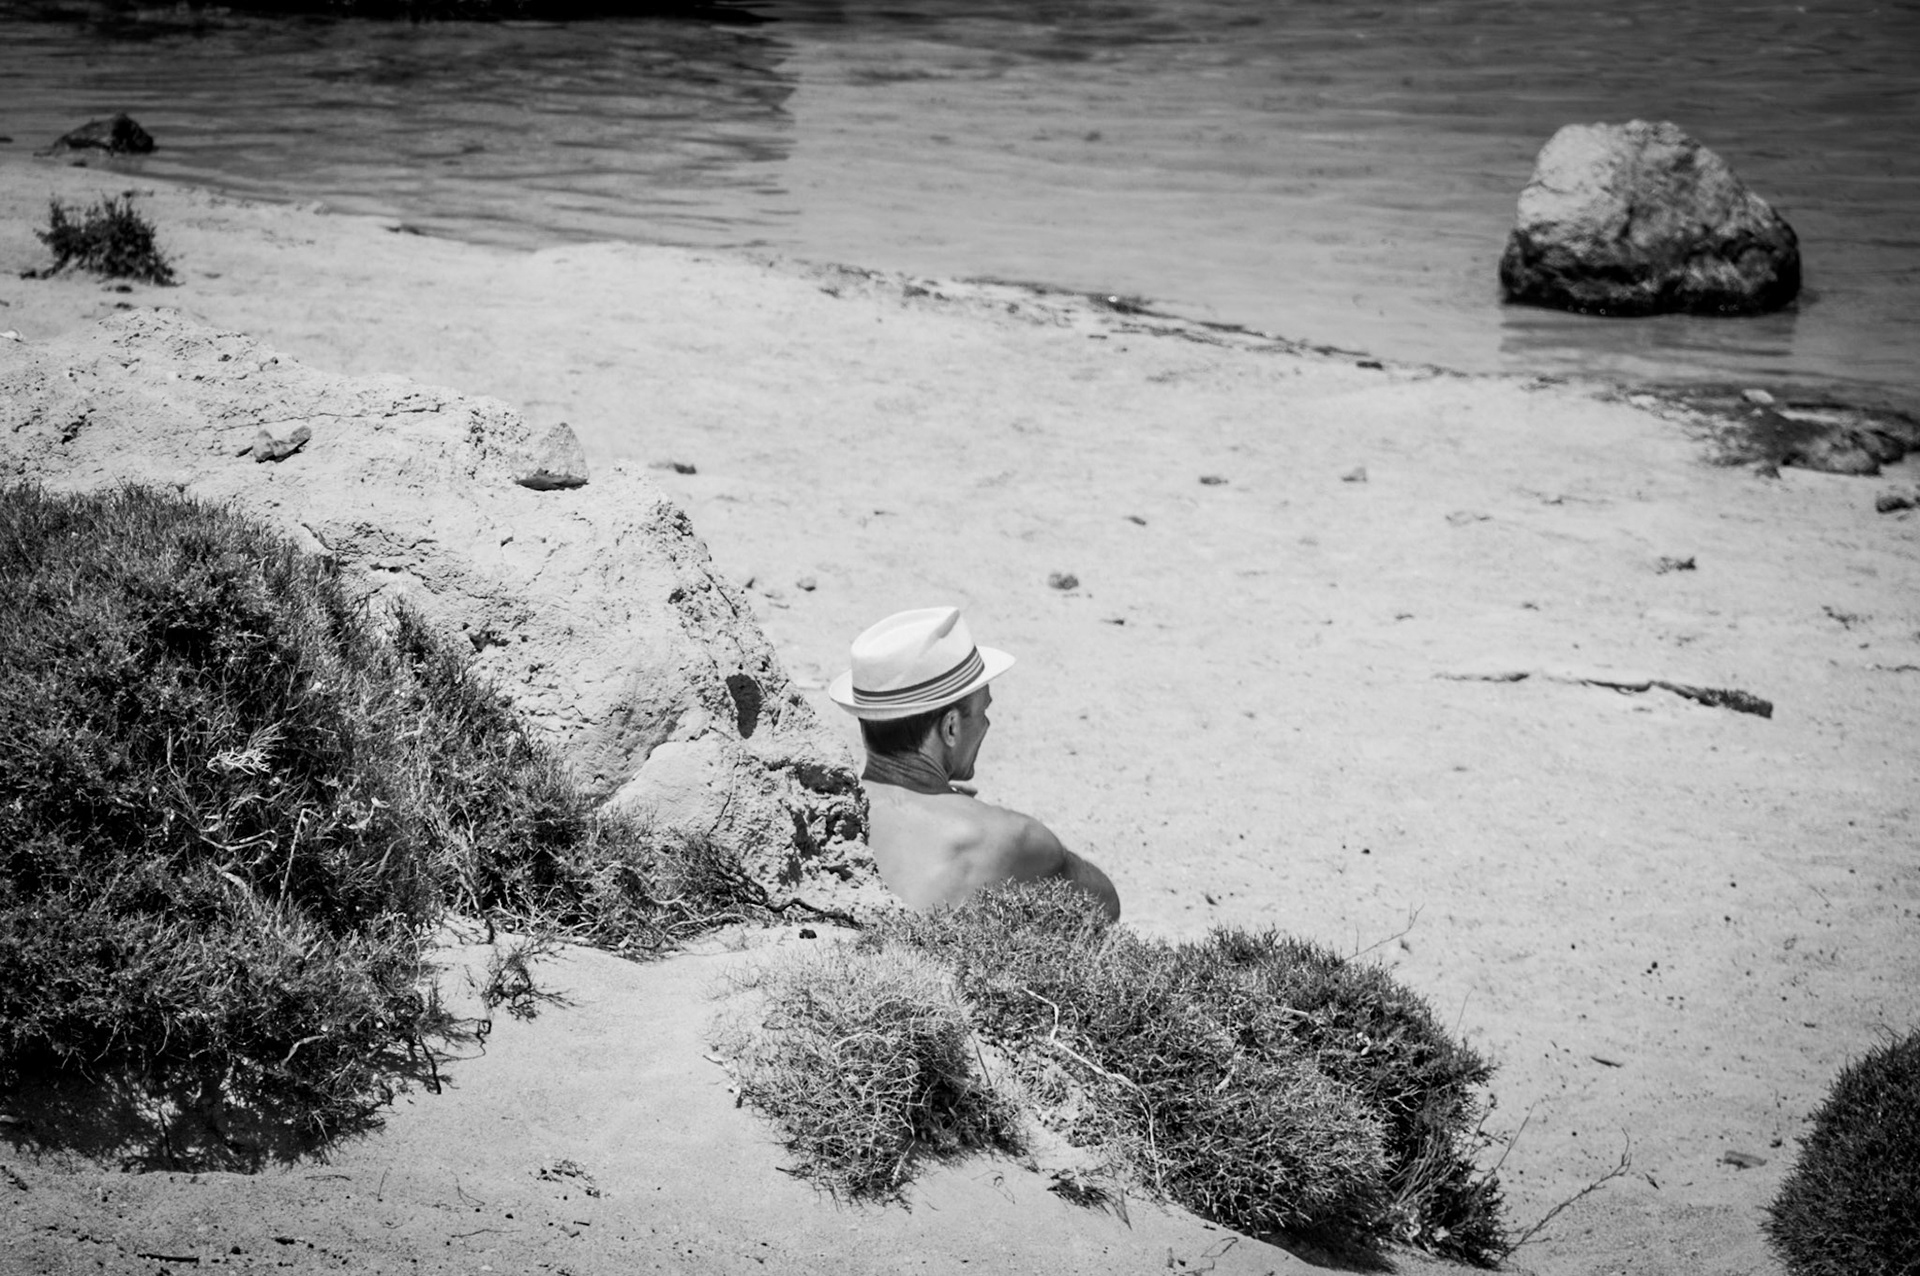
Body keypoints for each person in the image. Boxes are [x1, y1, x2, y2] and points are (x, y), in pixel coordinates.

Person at [828, 606, 1121, 920]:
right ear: (951, 727)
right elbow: (1103, 904)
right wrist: (974, 814)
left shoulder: (820, 814)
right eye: (983, 711)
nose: (986, 725)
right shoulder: (1008, 836)